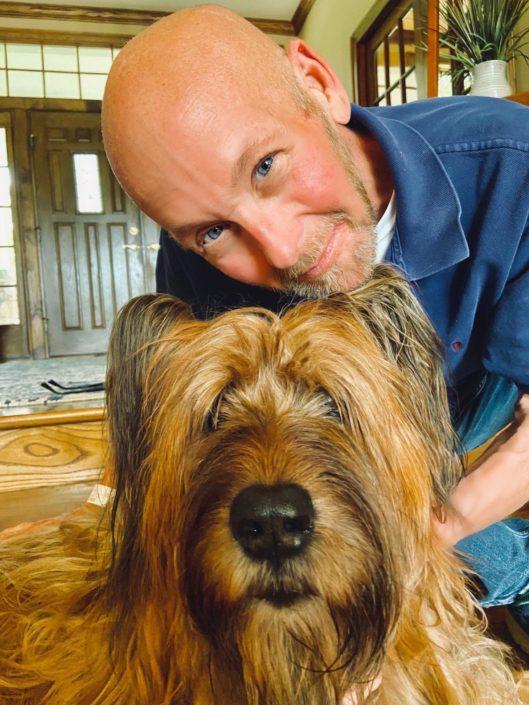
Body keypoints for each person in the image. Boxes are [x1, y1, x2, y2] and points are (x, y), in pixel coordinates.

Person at [101, 4, 529, 652]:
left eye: (265, 167)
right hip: (319, 457)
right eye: (214, 231)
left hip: (480, 415)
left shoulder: (514, 165)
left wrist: (416, 544)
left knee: (477, 561)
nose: (281, 249)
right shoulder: (190, 262)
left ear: (319, 83)